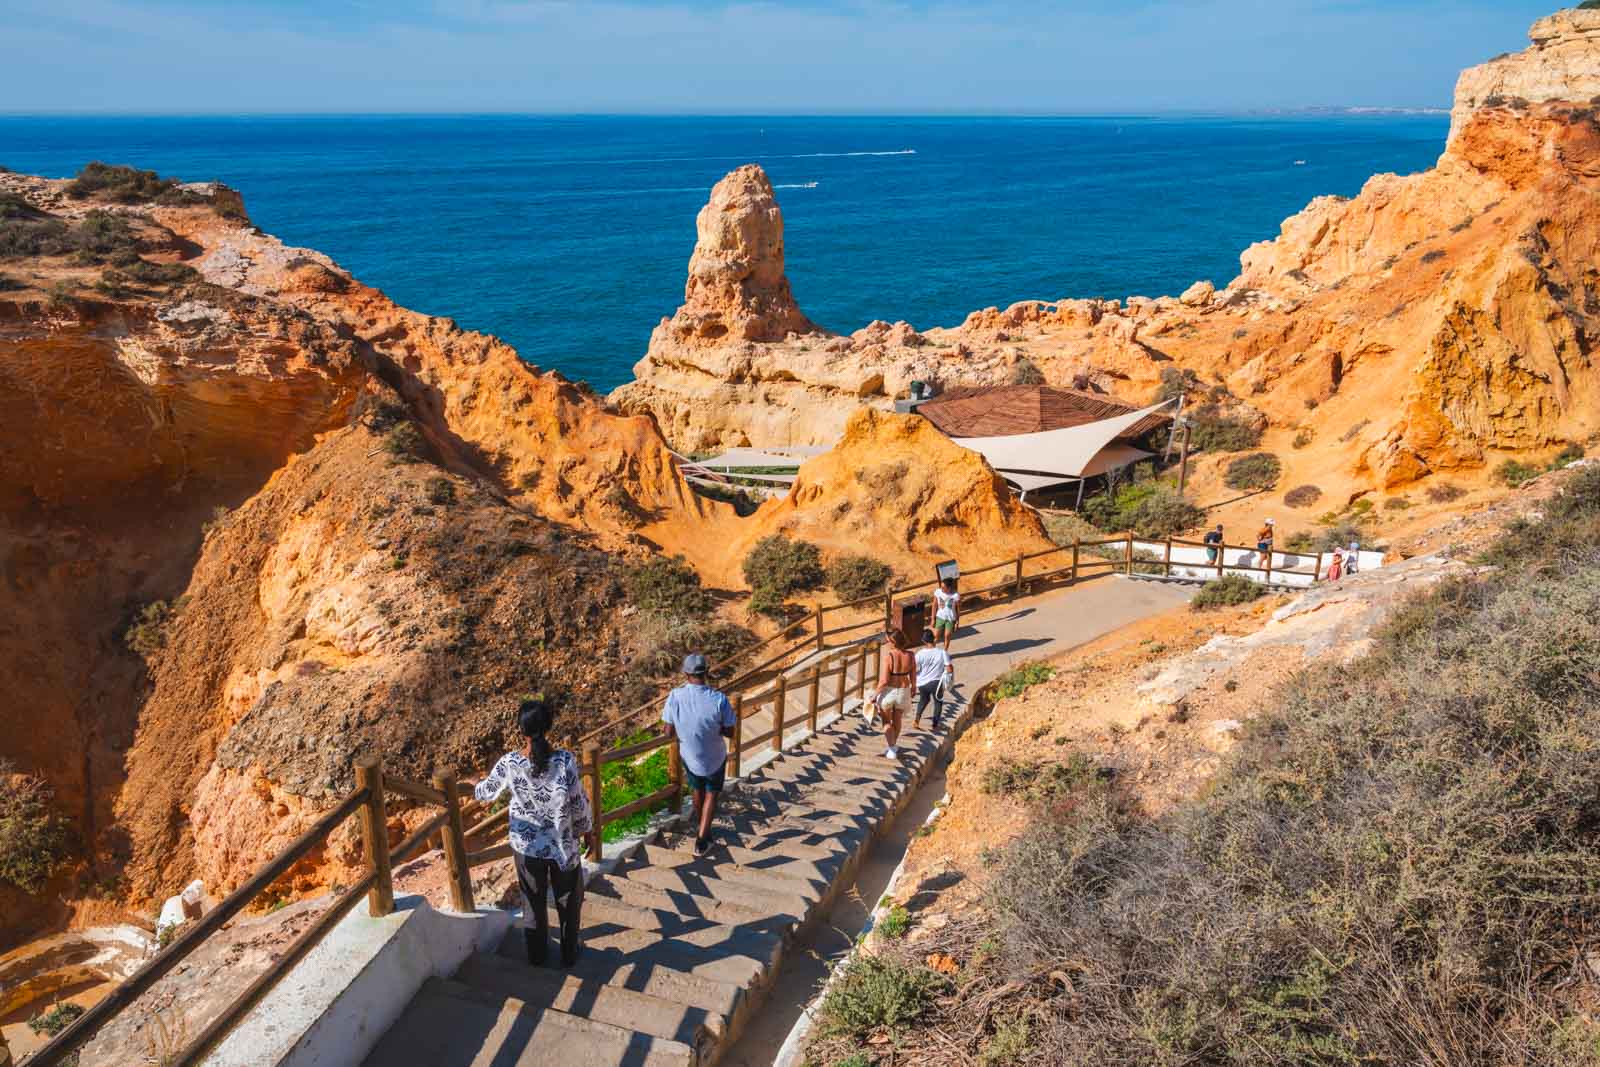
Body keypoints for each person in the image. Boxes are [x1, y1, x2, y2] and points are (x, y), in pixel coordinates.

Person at [475, 697, 591, 968]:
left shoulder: (510, 763)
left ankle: (537, 957)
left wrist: (470, 787)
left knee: (533, 900)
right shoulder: (565, 761)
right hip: (562, 844)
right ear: (548, 726)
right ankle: (569, 953)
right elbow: (578, 802)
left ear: (520, 730)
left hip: (526, 847)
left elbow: (486, 793)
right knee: (568, 899)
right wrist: (587, 831)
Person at [661, 652, 736, 856]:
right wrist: (716, 728)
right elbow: (731, 732)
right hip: (715, 756)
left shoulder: (675, 696)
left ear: (686, 674)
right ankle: (702, 840)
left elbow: (668, 732)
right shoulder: (719, 699)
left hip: (690, 755)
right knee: (711, 793)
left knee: (697, 789)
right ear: (707, 673)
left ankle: (703, 829)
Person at [871, 628, 916, 759]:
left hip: (890, 691)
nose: (887, 642)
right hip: (904, 690)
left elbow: (884, 680)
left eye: (887, 640)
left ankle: (891, 749)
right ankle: (893, 746)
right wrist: (914, 688)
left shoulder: (890, 656)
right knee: (897, 721)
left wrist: (875, 695)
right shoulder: (911, 655)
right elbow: (913, 676)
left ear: (893, 641)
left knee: (886, 722)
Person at [913, 627, 954, 731]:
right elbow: (949, 668)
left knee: (923, 700)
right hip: (936, 682)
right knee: (938, 702)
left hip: (922, 683)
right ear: (934, 639)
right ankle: (935, 725)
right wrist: (950, 678)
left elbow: (913, 667)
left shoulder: (919, 654)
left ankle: (916, 720)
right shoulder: (942, 652)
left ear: (923, 641)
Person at [932, 577, 960, 652]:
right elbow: (934, 605)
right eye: (941, 587)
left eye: (943, 587)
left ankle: (944, 652)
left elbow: (958, 609)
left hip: (950, 619)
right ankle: (932, 651)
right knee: (936, 636)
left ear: (949, 588)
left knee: (947, 636)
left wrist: (957, 621)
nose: (941, 589)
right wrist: (933, 618)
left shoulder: (955, 595)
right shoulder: (938, 592)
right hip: (940, 617)